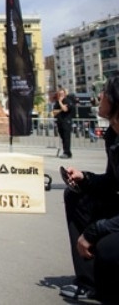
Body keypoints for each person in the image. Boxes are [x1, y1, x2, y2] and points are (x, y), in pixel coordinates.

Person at [60, 74, 119, 302]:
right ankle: (87, 282)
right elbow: (112, 182)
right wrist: (85, 179)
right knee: (75, 195)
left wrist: (94, 231)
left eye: (105, 92)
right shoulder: (112, 135)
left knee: (107, 247)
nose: (100, 96)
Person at [53, 87, 76, 158]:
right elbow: (54, 112)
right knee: (63, 138)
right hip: (59, 122)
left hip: (66, 122)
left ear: (65, 94)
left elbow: (65, 109)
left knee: (66, 138)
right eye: (59, 94)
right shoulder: (57, 102)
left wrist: (60, 103)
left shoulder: (67, 101)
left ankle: (67, 153)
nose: (61, 95)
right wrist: (60, 107)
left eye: (62, 94)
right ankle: (65, 152)